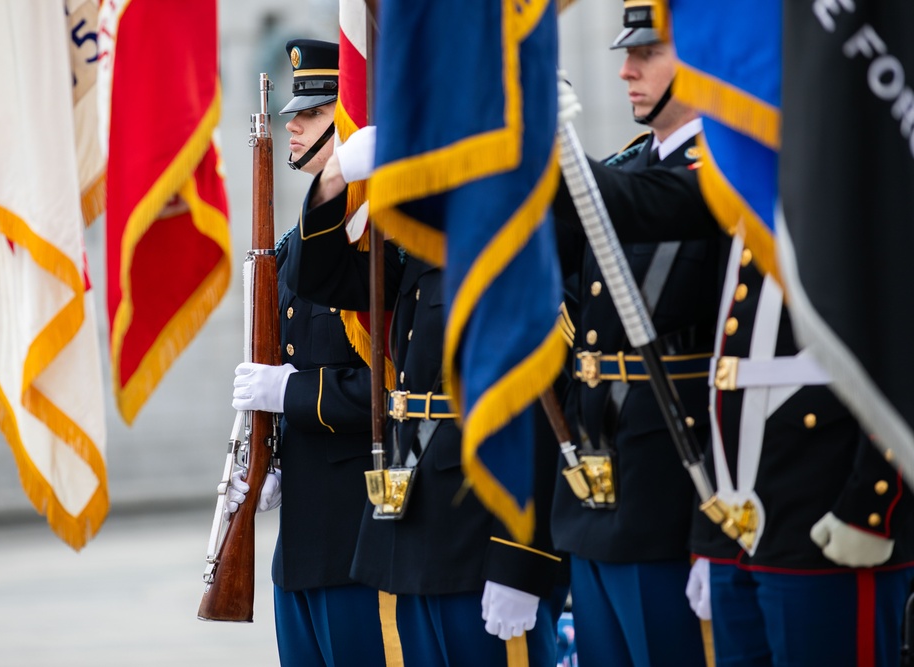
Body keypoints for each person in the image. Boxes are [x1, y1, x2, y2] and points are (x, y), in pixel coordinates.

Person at [559, 17, 914, 666]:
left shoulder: (878, 176)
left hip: (826, 508)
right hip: (739, 514)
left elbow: (899, 347)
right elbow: (647, 202)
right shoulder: (745, 173)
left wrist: (873, 504)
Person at [281, 102, 569, 666]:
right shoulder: (424, 254)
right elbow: (316, 275)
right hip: (410, 530)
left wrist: (521, 559)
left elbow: (543, 407)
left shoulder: (515, 248)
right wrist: (335, 174)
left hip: (482, 537)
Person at [549, 3, 719, 664]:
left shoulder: (726, 172)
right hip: (592, 489)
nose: (626, 71)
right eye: (627, 53)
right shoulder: (628, 165)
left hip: (670, 500)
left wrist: (543, 133)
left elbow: (627, 201)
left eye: (648, 53)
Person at [225, 39, 388, 667]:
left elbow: (387, 384)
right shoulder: (296, 243)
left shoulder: (373, 238)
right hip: (299, 541)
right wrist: (269, 454)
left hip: (356, 535)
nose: (293, 123)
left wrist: (286, 393)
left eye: (313, 114)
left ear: (348, 124)